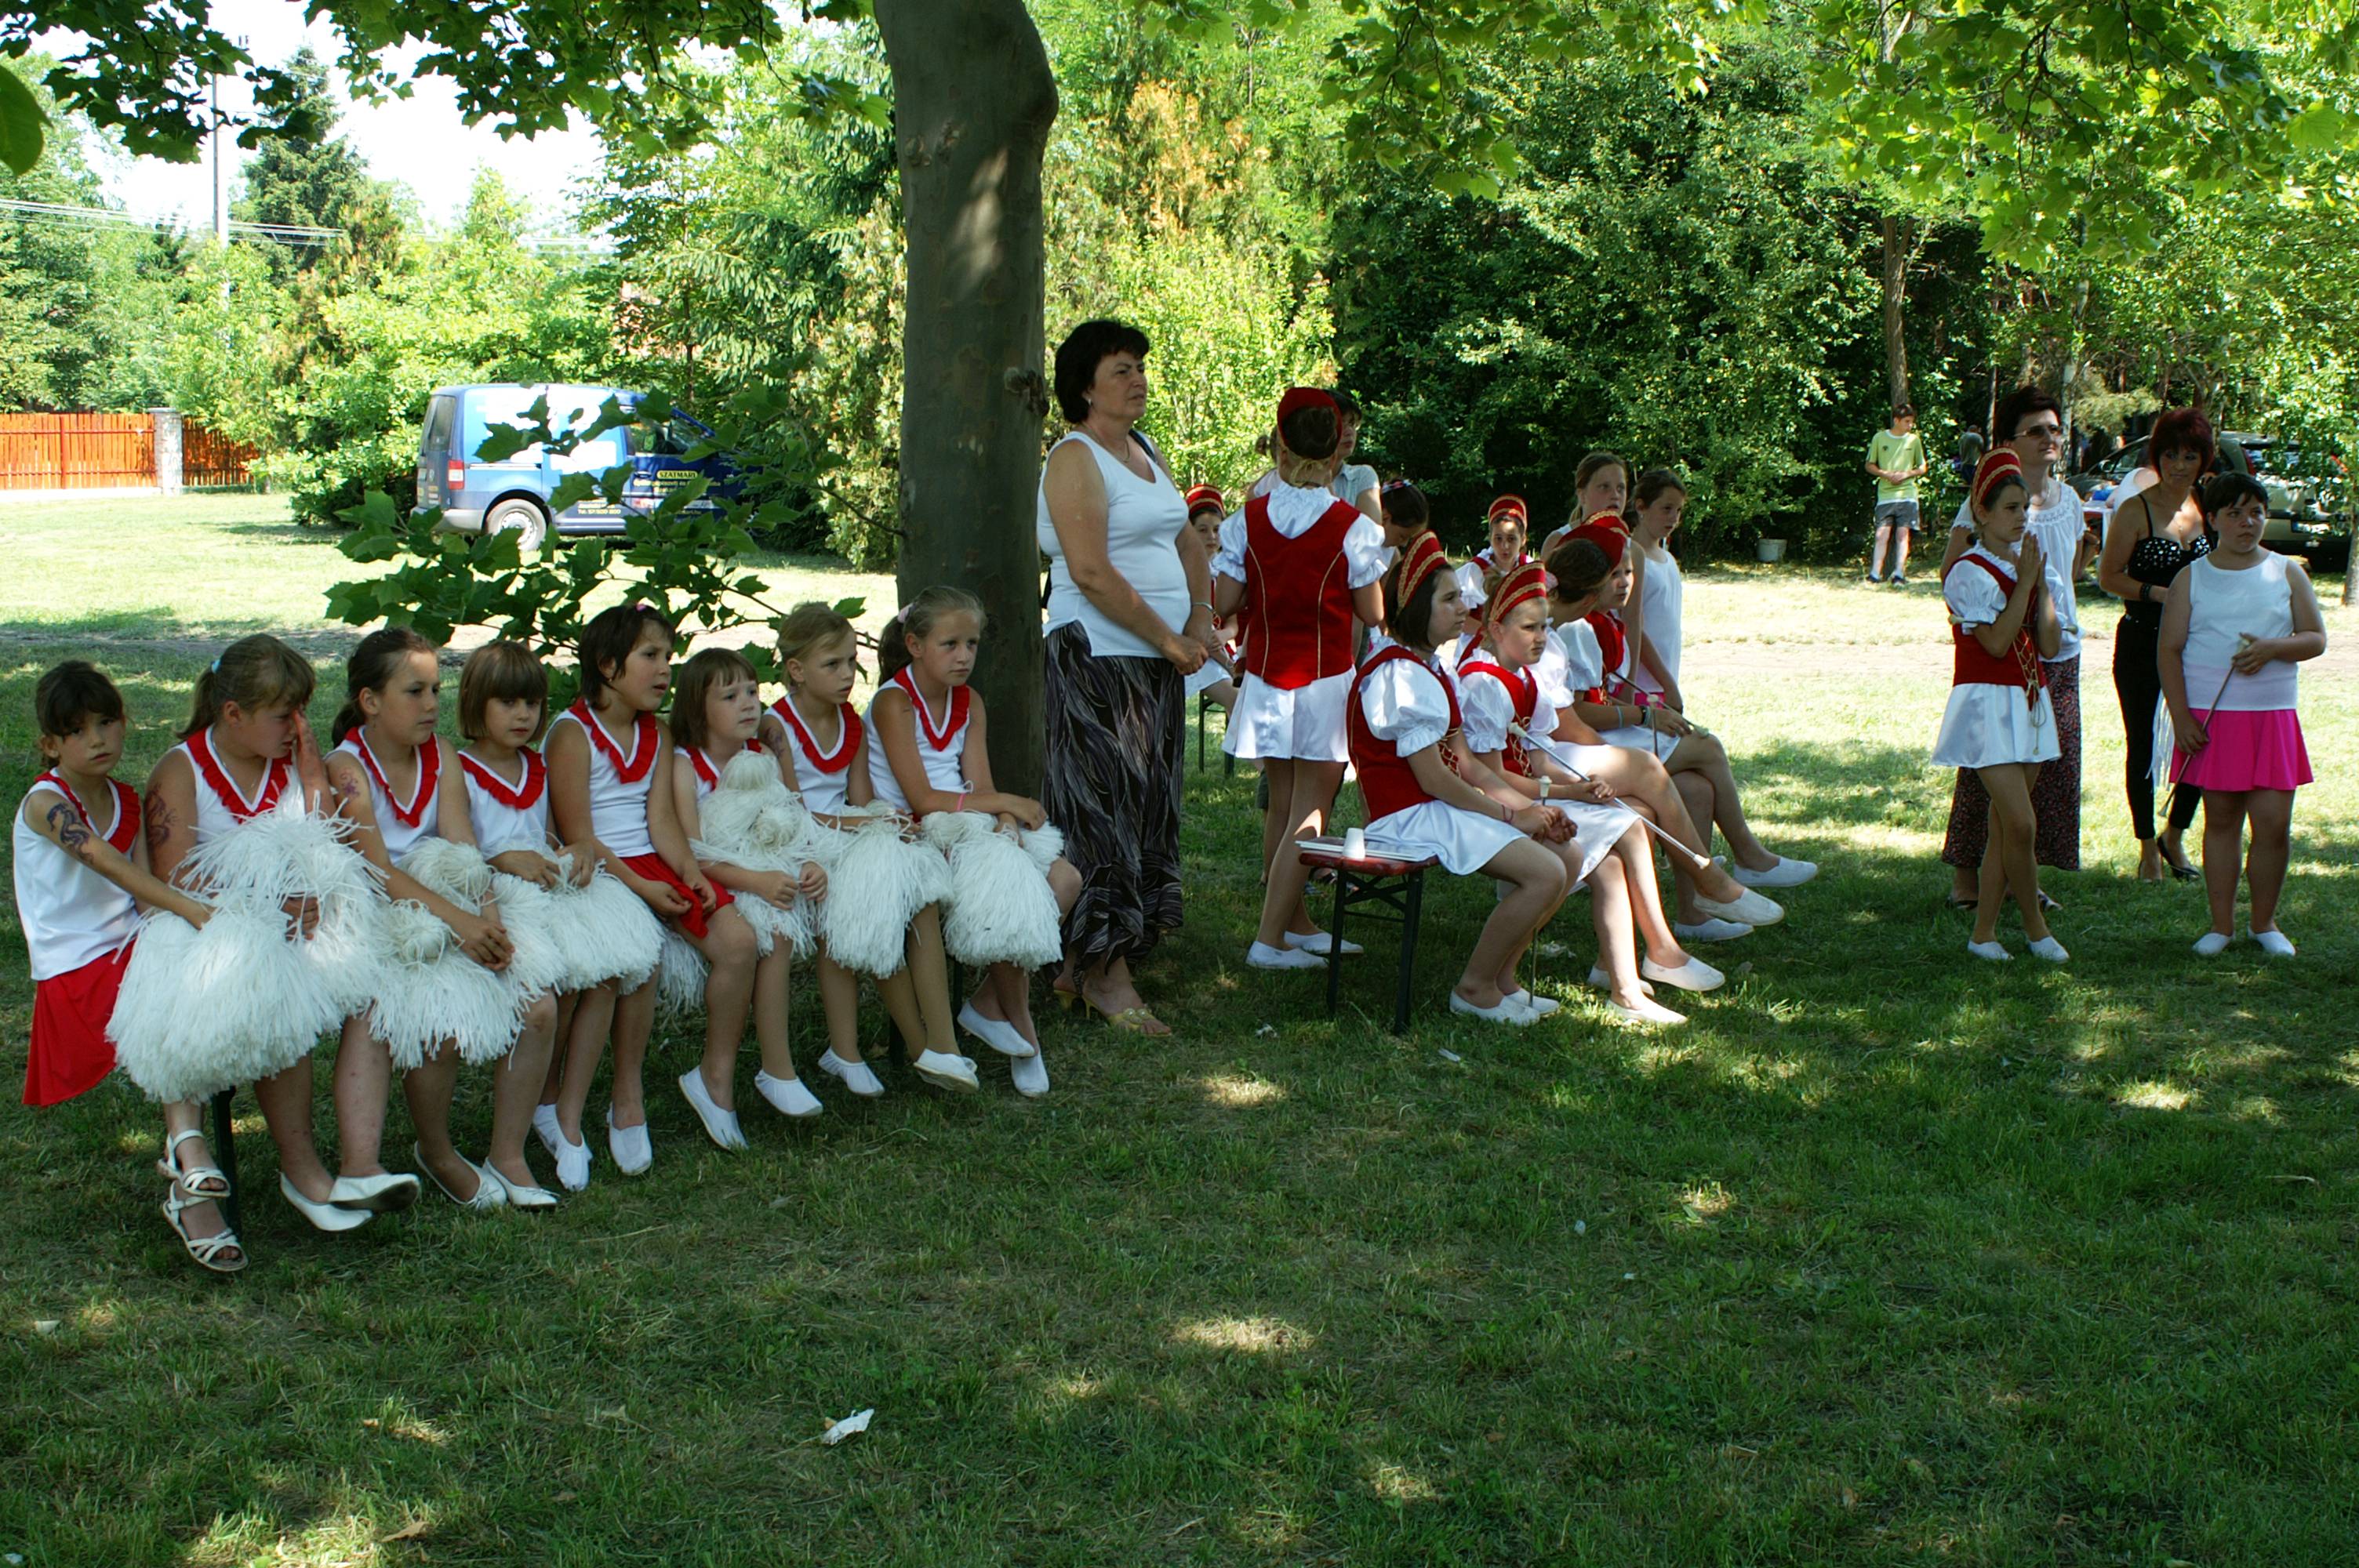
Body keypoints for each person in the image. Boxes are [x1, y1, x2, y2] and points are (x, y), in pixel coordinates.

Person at [122, 634, 418, 1236]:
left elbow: (321, 845)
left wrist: (311, 774)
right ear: (233, 714)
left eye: (304, 712)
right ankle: (301, 1169)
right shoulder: (181, 771)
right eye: (286, 715)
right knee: (278, 988)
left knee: (375, 984)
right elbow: (178, 877)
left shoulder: (290, 764)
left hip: (295, 929)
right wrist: (267, 906)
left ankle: (361, 1162)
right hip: (206, 937)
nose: (299, 727)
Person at [1349, 535, 1690, 1025]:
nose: (1461, 605)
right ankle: (1473, 987)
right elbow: (1436, 779)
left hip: (1435, 807)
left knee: (1567, 854)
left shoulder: (1429, 667)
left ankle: (1501, 978)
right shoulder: (1398, 674)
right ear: (1417, 606)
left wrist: (1538, 811)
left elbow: (1468, 765)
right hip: (1406, 815)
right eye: (1448, 599)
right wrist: (1513, 814)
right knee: (1546, 871)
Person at [329, 629, 562, 1210]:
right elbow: (377, 870)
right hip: (385, 916)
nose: (433, 704)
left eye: (436, 689)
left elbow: (463, 851)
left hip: (451, 904)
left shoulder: (442, 758)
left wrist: (489, 923)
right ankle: (435, 1151)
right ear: (370, 701)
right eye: (415, 691)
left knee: (538, 1005)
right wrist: (462, 925)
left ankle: (508, 1153)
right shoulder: (345, 768)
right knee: (442, 1018)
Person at [15, 662, 234, 1269]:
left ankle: (188, 1167)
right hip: (77, 966)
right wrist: (191, 912)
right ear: (51, 745)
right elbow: (110, 866)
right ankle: (187, 1151)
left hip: (128, 944)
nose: (99, 740)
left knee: (212, 982)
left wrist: (204, 924)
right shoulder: (46, 804)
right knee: (175, 996)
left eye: (107, 723)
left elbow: (143, 895)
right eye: (79, 731)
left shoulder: (125, 797)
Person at [1037, 318, 1212, 1036]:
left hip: (1155, 661)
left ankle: (1080, 967)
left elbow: (1185, 538)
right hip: (1095, 656)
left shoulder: (1143, 451)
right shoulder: (1073, 458)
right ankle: (1107, 980)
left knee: (1145, 809)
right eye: (1120, 369)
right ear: (1084, 386)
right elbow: (1090, 573)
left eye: (1139, 365)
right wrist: (1169, 637)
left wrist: (1200, 618)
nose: (1137, 378)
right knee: (1099, 817)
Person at [1457, 563, 1727, 1014]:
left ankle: (1629, 976)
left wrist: (1579, 782)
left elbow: (1538, 753)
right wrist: (1564, 795)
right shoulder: (1483, 682)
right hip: (1501, 804)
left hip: (1531, 790)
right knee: (1622, 837)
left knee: (1625, 830)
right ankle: (1639, 970)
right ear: (1497, 628)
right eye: (1530, 627)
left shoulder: (1522, 674)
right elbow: (1491, 777)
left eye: (1546, 625)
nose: (1542, 637)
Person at [758, 601, 980, 1099]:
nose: (847, 675)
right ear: (796, 670)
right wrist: (863, 824)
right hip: (796, 841)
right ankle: (901, 1048)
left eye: (852, 663)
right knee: (875, 900)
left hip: (846, 831)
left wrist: (885, 820)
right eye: (832, 664)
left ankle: (940, 1044)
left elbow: (860, 797)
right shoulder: (776, 726)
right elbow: (790, 810)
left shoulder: (851, 722)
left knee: (917, 891)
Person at [454, 641, 663, 1149]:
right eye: (507, 703)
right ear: (475, 703)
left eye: (531, 704)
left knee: (609, 970)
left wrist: (575, 852)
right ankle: (543, 1099)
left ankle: (566, 1106)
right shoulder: (458, 770)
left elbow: (547, 837)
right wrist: (501, 860)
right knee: (563, 979)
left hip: (548, 887)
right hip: (497, 897)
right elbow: (457, 852)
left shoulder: (537, 767)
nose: (523, 715)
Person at [872, 586, 1080, 1096]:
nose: (964, 656)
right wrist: (1006, 804)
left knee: (1064, 880)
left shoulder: (971, 702)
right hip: (916, 833)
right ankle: (1023, 1027)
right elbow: (921, 798)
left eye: (972, 644)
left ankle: (990, 1001)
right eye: (950, 644)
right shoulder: (894, 702)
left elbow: (979, 786)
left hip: (968, 821)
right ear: (916, 645)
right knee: (1009, 888)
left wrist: (1005, 819)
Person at [1212, 387, 1389, 972]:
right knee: (1312, 813)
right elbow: (1372, 612)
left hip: (1265, 677)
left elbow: (1227, 599)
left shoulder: (1247, 521)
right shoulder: (1352, 526)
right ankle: (1268, 939)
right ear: (1335, 456)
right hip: (1322, 680)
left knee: (1284, 805)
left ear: (1280, 447)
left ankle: (1293, 923)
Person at [1546, 524, 1817, 898]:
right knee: (1706, 747)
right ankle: (1747, 858)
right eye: (1615, 575)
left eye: (1628, 572)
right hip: (1568, 753)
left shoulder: (1585, 625)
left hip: (1584, 741)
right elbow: (1575, 715)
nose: (1624, 583)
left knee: (1697, 789)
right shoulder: (1572, 629)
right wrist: (1643, 717)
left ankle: (1695, 911)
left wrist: (1646, 710)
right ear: (1591, 590)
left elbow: (1589, 701)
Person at [540, 603, 711, 1186]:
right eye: (650, 656)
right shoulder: (571, 734)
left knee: (734, 934)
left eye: (669, 656)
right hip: (592, 873)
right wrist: (641, 888)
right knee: (634, 954)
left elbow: (661, 821)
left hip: (644, 865)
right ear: (608, 667)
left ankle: (630, 1089)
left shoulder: (655, 732)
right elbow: (577, 836)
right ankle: (571, 1108)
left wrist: (687, 871)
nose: (665, 669)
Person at [2161, 472, 2326, 956]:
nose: (2246, 523)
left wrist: (2275, 648)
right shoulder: (2192, 577)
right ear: (2211, 520)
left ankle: (2265, 923)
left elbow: (2315, 638)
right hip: (2214, 721)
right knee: (2223, 820)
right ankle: (2221, 925)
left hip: (2272, 716)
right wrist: (2182, 718)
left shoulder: (2286, 571)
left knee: (2273, 823)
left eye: (2255, 512)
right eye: (2234, 513)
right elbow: (2168, 651)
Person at [665, 648, 830, 1128]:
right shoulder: (686, 767)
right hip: (716, 881)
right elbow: (692, 851)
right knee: (774, 928)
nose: (748, 704)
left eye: (753, 692)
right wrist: (755, 880)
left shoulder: (760, 756)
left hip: (766, 871)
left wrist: (812, 862)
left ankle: (801, 1062)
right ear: (697, 708)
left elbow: (792, 821)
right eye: (730, 696)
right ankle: (775, 1068)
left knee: (792, 917)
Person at [1939, 387, 2087, 906]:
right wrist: (1992, 620)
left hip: (2055, 647)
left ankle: (2022, 879)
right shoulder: (1988, 500)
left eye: (2054, 429)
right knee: (1988, 772)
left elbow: (2064, 572)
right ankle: (1967, 878)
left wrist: (2047, 604)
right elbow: (1955, 573)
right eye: (2036, 430)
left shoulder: (2068, 499)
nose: (2050, 438)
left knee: (2046, 770)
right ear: (2010, 440)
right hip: (2001, 654)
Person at [1935, 452, 2066, 963]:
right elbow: (1994, 643)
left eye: (2024, 509)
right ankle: (2036, 929)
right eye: (2010, 508)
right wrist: (2028, 583)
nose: (2020, 518)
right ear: (1982, 512)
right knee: (2022, 823)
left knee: (2004, 827)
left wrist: (2042, 582)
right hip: (1987, 704)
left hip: (2028, 701)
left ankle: (1984, 933)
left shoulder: (2026, 565)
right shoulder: (1968, 572)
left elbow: (2050, 645)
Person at [2094, 406, 2215, 881]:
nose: (2180, 465)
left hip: (2199, 645)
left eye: (2190, 455)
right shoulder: (2134, 509)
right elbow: (2107, 577)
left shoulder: (2208, 504)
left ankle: (2175, 835)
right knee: (2141, 742)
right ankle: (2146, 846)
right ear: (2157, 457)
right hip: (2143, 638)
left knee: (2200, 740)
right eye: (2170, 454)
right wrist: (2156, 593)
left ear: (2203, 459)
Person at [1627, 469, 1689, 708]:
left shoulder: (1668, 559)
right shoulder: (1632, 557)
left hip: (1665, 680)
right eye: (1666, 509)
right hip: (1644, 684)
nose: (1673, 518)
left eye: (1679, 511)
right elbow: (1633, 625)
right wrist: (1667, 683)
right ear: (1641, 507)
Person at [1182, 484, 1241, 710]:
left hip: (1221, 648)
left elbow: (1233, 622)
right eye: (1203, 530)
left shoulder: (1225, 570)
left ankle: (1235, 745)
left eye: (1217, 530)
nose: (1212, 537)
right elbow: (1198, 631)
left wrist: (1225, 634)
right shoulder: (1185, 571)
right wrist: (1228, 663)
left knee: (1252, 693)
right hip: (1196, 653)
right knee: (1237, 698)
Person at [1866, 403, 1929, 585]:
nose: (1910, 426)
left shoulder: (1914, 440)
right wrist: (1885, 474)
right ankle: (1874, 575)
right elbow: (1870, 464)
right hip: (1885, 495)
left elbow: (1922, 467)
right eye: (1907, 421)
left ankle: (1899, 574)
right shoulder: (1879, 438)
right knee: (1881, 534)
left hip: (1907, 494)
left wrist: (1906, 474)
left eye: (1911, 422)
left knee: (1903, 534)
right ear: (1896, 420)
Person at [1539, 452, 1630, 559]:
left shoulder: (1632, 549)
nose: (1615, 495)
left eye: (1620, 488)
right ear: (1582, 495)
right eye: (1605, 487)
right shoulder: (1558, 542)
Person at [1455, 495, 1531, 615]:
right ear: (1490, 538)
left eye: (1511, 539)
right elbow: (1461, 618)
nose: (1505, 546)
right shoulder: (1475, 570)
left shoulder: (1529, 567)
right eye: (1498, 538)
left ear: (1523, 540)